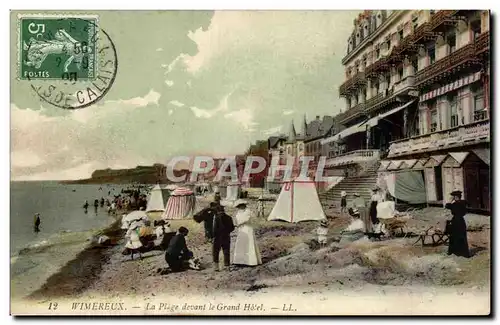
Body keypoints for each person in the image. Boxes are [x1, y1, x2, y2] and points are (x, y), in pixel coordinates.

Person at [232, 200, 262, 267]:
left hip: (248, 228)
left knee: (249, 243)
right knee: (241, 244)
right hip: (241, 230)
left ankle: (251, 261)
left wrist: (238, 224)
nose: (240, 207)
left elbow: (246, 219)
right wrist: (236, 223)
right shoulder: (238, 213)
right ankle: (239, 260)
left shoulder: (248, 211)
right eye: (239, 206)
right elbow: (236, 219)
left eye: (241, 205)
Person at [445, 190, 470, 258]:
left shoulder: (454, 205)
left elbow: (446, 205)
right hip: (461, 221)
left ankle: (454, 251)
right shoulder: (463, 203)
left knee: (454, 236)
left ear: (455, 197)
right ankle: (464, 253)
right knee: (462, 236)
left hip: (455, 221)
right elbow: (467, 204)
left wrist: (451, 200)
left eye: (454, 197)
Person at [212, 204, 235, 271]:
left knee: (216, 252)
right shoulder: (229, 217)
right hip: (226, 236)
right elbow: (232, 228)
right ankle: (227, 266)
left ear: (217, 210)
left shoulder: (216, 218)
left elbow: (214, 229)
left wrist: (213, 236)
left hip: (217, 237)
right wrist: (227, 231)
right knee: (226, 251)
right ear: (223, 210)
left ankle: (216, 267)